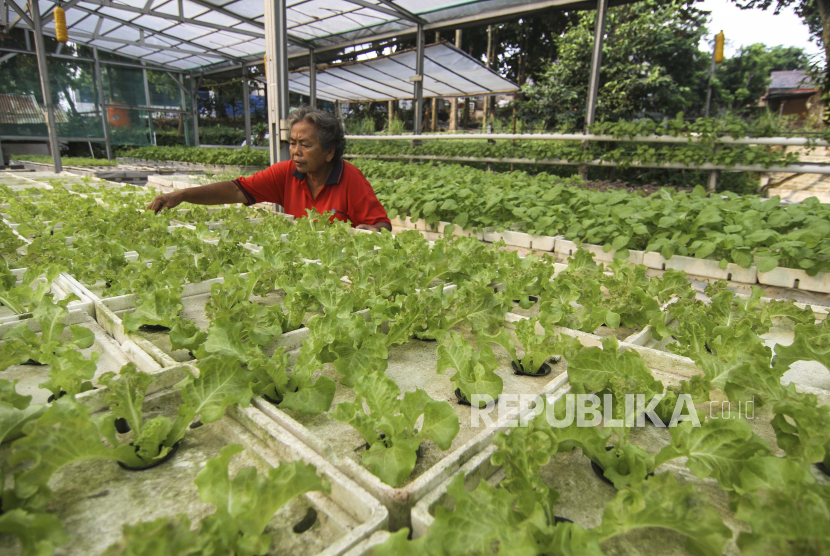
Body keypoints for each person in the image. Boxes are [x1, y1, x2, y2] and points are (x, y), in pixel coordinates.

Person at [146, 106, 392, 232]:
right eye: (292, 143)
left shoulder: (350, 177)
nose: (295, 151)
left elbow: (382, 225)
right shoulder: (286, 173)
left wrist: (373, 230)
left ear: (329, 152)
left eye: (305, 145)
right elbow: (236, 190)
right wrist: (183, 195)